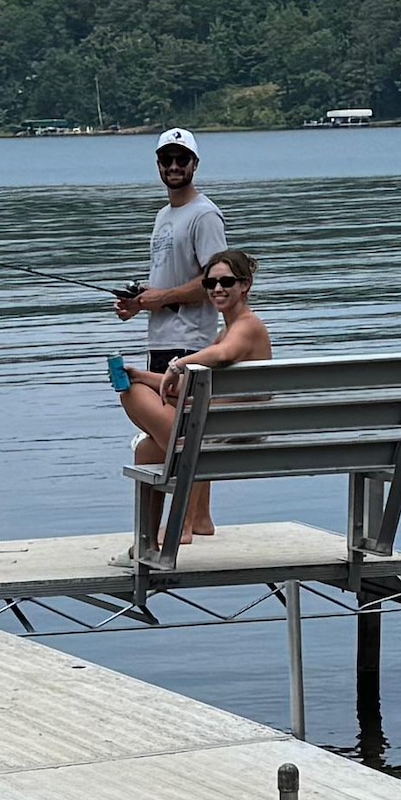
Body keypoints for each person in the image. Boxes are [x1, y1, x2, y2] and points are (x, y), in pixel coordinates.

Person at [118, 247, 269, 522]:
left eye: (227, 282)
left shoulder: (247, 326)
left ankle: (185, 524)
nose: (217, 289)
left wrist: (176, 365)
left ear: (245, 285)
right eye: (210, 283)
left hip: (236, 431)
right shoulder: (227, 331)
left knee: (186, 440)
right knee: (146, 445)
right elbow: (189, 384)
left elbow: (222, 355)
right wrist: (140, 375)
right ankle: (152, 536)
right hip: (222, 423)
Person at [111, 128, 228, 377]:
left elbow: (218, 282)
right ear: (158, 165)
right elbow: (169, 282)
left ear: (195, 164)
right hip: (159, 342)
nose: (174, 166)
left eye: (182, 159)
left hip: (191, 344)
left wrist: (162, 298)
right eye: (167, 160)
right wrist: (139, 302)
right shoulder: (163, 215)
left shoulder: (205, 215)